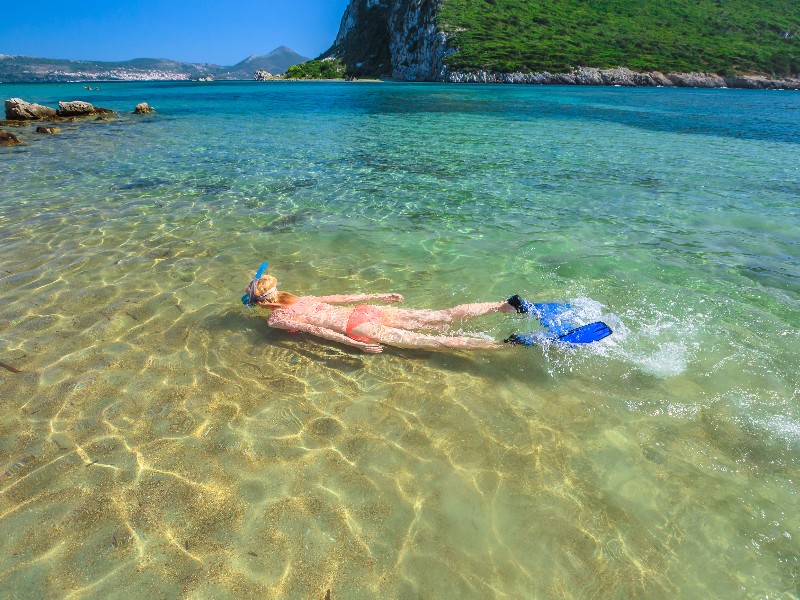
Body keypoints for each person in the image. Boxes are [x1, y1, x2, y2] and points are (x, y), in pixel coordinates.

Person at [244, 269, 521, 353]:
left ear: (259, 304)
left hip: (358, 328)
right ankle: (504, 305)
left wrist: (353, 343)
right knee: (440, 316)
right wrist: (381, 295)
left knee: (433, 341)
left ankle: (505, 345)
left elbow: (318, 330)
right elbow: (342, 297)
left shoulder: (276, 320)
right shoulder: (301, 298)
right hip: (368, 311)